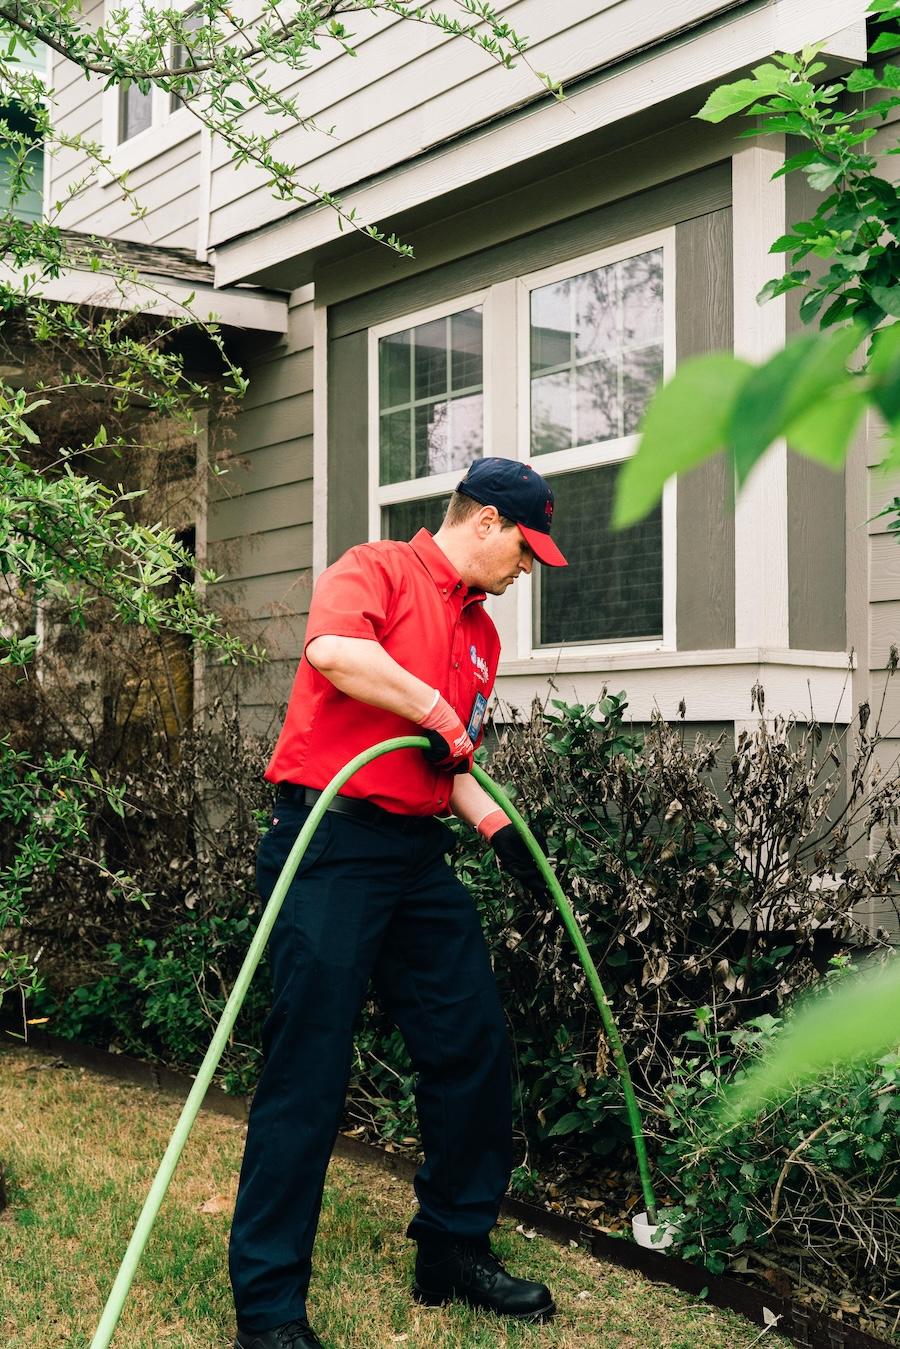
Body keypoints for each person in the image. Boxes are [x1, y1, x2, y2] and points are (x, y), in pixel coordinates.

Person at [230, 456, 568, 1349]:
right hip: (328, 842)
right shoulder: (374, 568)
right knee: (309, 1068)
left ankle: (452, 1247)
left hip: (416, 855)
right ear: (486, 521)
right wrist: (430, 705)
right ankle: (268, 1308)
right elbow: (335, 654)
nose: (526, 569)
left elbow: (448, 764)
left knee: (471, 1043)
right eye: (525, 549)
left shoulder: (482, 636)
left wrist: (502, 834)